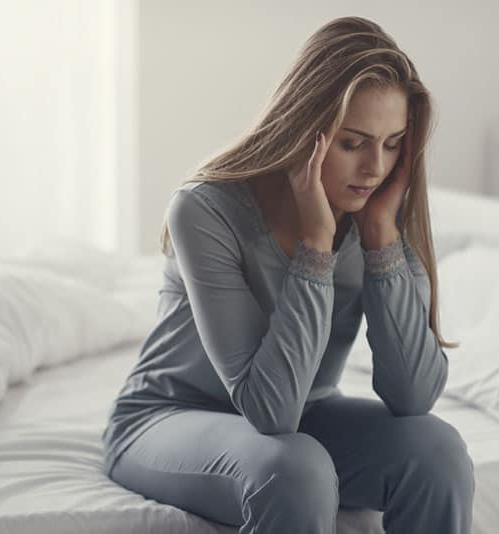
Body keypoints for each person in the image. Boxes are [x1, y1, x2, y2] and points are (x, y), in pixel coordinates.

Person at [101, 15, 475, 534]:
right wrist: (317, 248)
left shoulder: (379, 213)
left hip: (308, 415)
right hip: (168, 416)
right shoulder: (205, 210)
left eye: (392, 145)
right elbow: (270, 412)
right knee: (296, 469)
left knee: (439, 452)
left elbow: (413, 398)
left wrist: (382, 240)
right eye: (353, 144)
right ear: (308, 131)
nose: (374, 169)